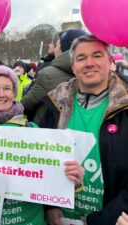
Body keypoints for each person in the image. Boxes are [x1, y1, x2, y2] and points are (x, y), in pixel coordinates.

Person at [0, 65, 84, 225]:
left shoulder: (32, 130)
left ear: (14, 93)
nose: (1, 94)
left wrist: (72, 179)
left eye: (7, 88)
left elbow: (50, 180)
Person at [40, 34, 128, 225]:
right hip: (60, 219)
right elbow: (39, 163)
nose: (89, 63)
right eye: (81, 58)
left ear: (110, 61)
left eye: (97, 55)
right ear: (73, 67)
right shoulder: (54, 105)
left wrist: (100, 221)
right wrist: (49, 207)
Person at [21, 29, 86, 124]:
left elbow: (25, 106)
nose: (54, 48)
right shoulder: (93, 74)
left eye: (57, 44)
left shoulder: (48, 74)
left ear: (64, 48)